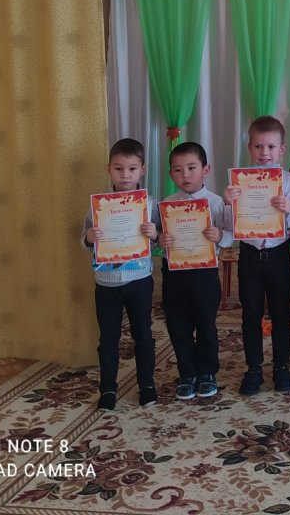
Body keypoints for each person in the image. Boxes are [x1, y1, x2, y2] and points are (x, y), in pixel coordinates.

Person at [223, 115, 290, 396]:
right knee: (251, 313)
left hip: (278, 254)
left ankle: (281, 367)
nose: (264, 153)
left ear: (282, 149)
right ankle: (253, 368)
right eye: (258, 146)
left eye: (270, 147)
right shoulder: (238, 182)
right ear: (249, 147)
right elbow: (230, 226)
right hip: (250, 254)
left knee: (280, 313)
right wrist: (228, 203)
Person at [82, 138, 158, 411]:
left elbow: (160, 240)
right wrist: (89, 237)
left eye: (132, 169)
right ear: (109, 169)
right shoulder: (98, 206)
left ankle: (147, 385)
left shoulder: (149, 204)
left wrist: (154, 234)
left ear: (142, 170)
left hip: (139, 280)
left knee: (143, 334)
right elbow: (84, 238)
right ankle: (108, 388)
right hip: (107, 283)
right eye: (118, 169)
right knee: (108, 338)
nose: (125, 175)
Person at [156, 142, 232, 401]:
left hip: (205, 273)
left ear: (205, 170)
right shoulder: (167, 205)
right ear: (170, 174)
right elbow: (158, 237)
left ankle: (207, 372)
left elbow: (231, 234)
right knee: (178, 325)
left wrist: (220, 235)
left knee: (205, 323)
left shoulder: (217, 203)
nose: (185, 175)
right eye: (178, 170)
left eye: (191, 168)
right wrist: (161, 240)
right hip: (174, 273)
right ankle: (187, 374)